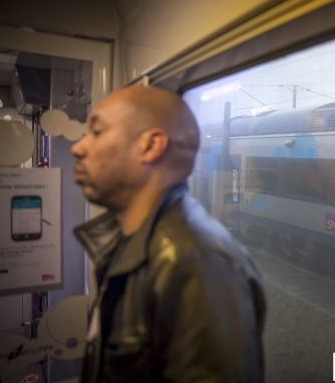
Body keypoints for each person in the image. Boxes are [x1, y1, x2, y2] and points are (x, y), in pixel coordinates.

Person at [71, 85, 265, 383]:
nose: (78, 147)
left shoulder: (196, 263)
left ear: (150, 146)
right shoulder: (130, 241)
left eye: (96, 132)